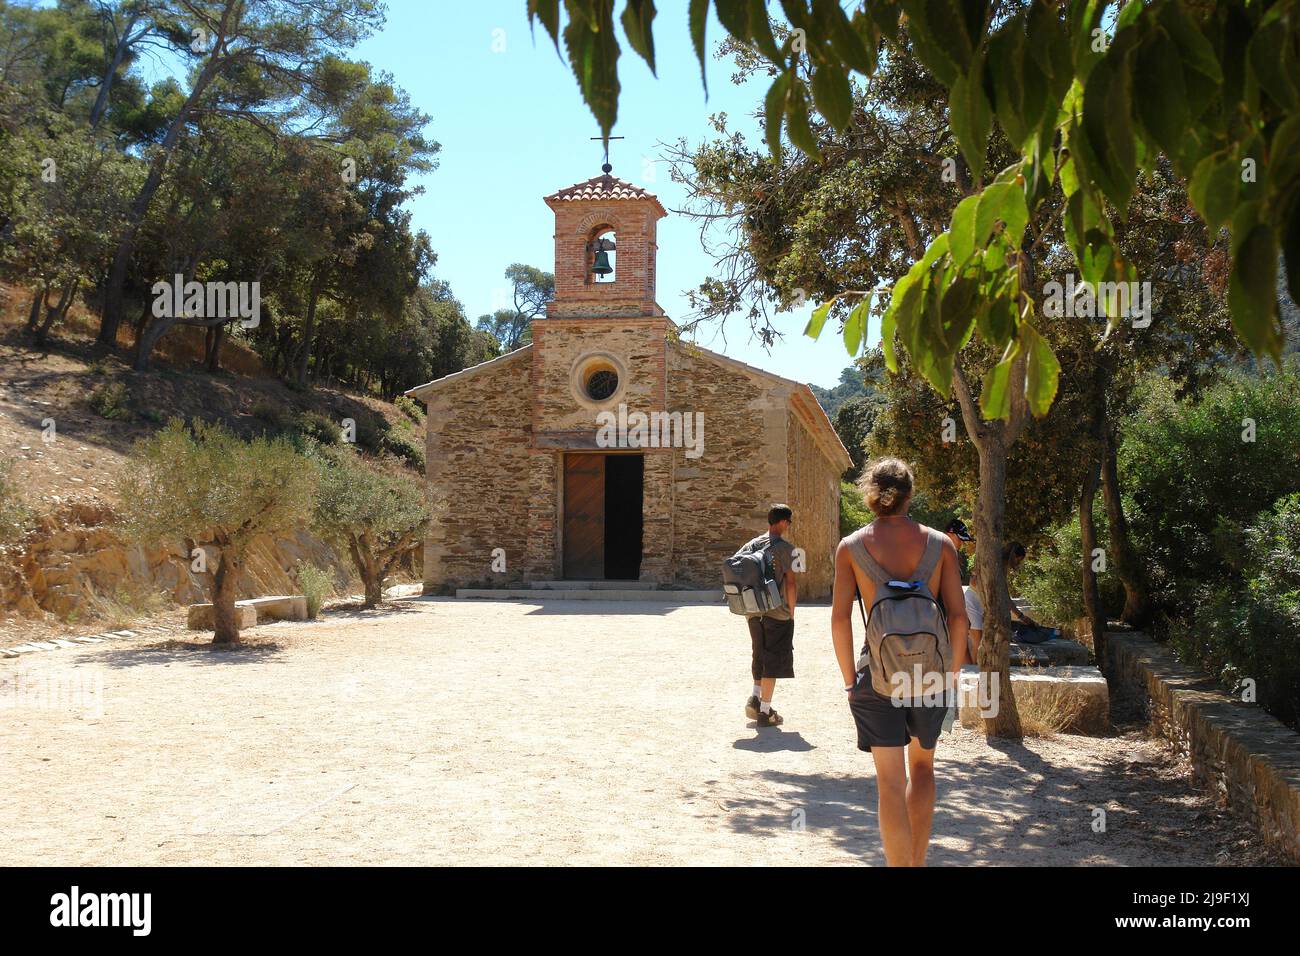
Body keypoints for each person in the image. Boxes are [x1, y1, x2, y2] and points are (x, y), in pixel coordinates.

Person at [831, 458, 968, 866]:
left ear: (871, 495)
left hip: (876, 673)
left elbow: (839, 618)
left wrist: (849, 681)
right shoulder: (941, 545)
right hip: (931, 675)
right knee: (923, 769)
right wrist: (953, 673)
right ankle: (918, 862)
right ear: (909, 494)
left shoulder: (852, 547)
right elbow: (958, 616)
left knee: (890, 783)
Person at [742, 504, 798, 728]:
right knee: (772, 660)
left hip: (753, 611)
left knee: (759, 653)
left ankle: (755, 698)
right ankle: (765, 711)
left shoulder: (750, 545)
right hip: (777, 612)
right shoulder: (787, 549)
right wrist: (792, 612)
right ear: (783, 522)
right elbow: (791, 584)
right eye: (789, 522)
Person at [965, 542, 1059, 660]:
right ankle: (973, 671)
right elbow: (975, 582)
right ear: (1013, 556)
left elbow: (1005, 597)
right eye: (1018, 560)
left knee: (983, 643)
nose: (1018, 564)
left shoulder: (1002, 568)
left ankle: (977, 669)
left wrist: (1021, 616)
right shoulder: (992, 562)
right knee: (977, 641)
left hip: (983, 605)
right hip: (972, 601)